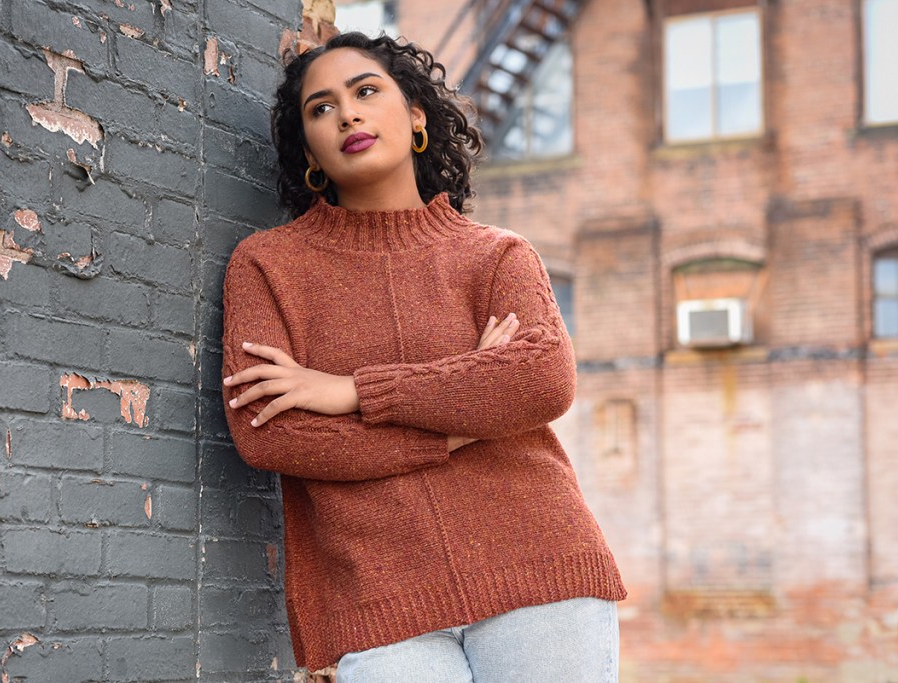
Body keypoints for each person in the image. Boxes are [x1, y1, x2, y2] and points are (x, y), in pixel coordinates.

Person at [221, 31, 626, 682]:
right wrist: (462, 421)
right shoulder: (267, 266)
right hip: (375, 596)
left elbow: (541, 380)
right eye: (320, 109)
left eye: (365, 91)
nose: (347, 113)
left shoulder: (497, 254)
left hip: (538, 565)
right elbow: (275, 434)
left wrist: (351, 391)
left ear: (415, 116)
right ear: (310, 153)